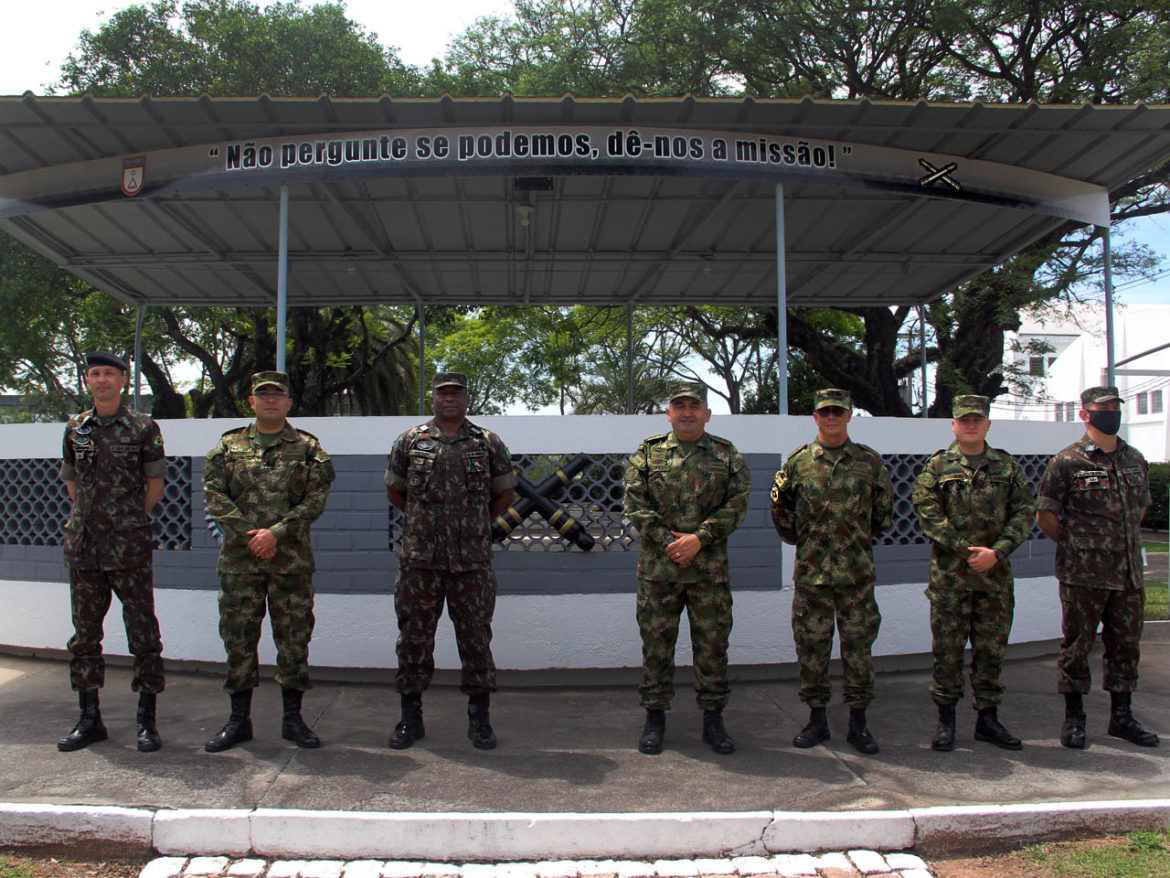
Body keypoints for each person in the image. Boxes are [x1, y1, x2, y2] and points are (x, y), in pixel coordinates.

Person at [202, 371, 335, 752]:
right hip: (240, 563)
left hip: (290, 563)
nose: (271, 401)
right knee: (239, 641)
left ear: (289, 402)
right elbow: (215, 495)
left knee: (294, 641)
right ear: (251, 402)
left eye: (278, 395)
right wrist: (251, 536)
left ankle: (293, 720)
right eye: (263, 395)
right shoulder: (227, 447)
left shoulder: (309, 448)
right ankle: (238, 721)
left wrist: (275, 534)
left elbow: (315, 499)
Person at [385, 372, 516, 751]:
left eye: (457, 393)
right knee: (413, 640)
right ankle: (410, 718)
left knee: (476, 639)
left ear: (467, 398)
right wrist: (424, 523)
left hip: (471, 562)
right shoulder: (410, 441)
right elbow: (396, 491)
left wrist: (472, 523)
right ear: (433, 398)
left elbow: (504, 495)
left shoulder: (487, 442)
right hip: (419, 562)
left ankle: (480, 720)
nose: (450, 399)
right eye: (443, 393)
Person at [624, 381, 750, 756]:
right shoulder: (647, 454)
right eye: (679, 406)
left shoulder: (727, 456)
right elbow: (635, 504)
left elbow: (737, 504)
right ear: (669, 413)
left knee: (712, 647)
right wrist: (670, 541)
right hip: (659, 573)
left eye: (694, 406)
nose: (687, 412)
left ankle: (713, 721)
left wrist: (700, 539)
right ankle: (654, 719)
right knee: (656, 649)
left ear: (706, 413)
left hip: (708, 573)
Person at [770, 388, 893, 755]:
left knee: (859, 650)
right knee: (811, 649)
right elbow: (781, 511)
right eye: (825, 411)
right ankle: (817, 719)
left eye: (838, 411)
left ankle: (858, 722)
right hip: (813, 578)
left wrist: (851, 541)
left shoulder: (869, 462)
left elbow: (883, 515)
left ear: (849, 414)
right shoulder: (797, 463)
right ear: (816, 417)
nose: (831, 417)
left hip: (856, 577)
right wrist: (807, 542)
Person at [1036, 385, 1158, 749]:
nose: (1111, 413)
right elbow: (1046, 516)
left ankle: (1122, 717)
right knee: (1077, 648)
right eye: (1102, 408)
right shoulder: (1068, 461)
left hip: (1128, 574)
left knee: (1125, 647)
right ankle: (1075, 719)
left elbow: (1139, 510)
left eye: (1115, 407)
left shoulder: (1134, 458)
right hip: (1084, 574)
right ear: (1085, 414)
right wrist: (1080, 547)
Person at [58, 350, 167, 753]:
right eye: (94, 374)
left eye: (109, 374)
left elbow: (154, 486)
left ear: (124, 381)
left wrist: (124, 518)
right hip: (85, 548)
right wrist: (93, 516)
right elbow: (73, 484)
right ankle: (89, 719)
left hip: (129, 547)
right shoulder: (76, 429)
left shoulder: (143, 427)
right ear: (88, 381)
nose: (101, 380)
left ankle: (146, 721)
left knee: (143, 636)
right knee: (85, 637)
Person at [911, 394, 1034, 752]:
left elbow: (1023, 513)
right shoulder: (937, 467)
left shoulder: (1007, 467)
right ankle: (945, 721)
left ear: (987, 424)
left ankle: (988, 720)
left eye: (976, 420)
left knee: (991, 651)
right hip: (951, 578)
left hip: (994, 578)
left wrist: (997, 553)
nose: (970, 425)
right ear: (953, 424)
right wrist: (966, 551)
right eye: (963, 419)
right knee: (947, 651)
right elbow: (927, 513)